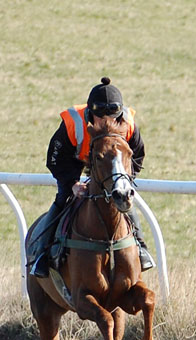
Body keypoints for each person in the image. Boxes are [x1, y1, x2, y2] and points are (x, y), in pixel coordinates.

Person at [31, 77, 153, 277]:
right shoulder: (74, 123)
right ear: (90, 113)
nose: (107, 122)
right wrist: (73, 184)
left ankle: (141, 248)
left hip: (112, 167)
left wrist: (124, 179)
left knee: (125, 201)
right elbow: (55, 159)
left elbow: (137, 155)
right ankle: (42, 255)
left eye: (113, 117)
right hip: (74, 163)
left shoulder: (128, 124)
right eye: (101, 118)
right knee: (63, 198)